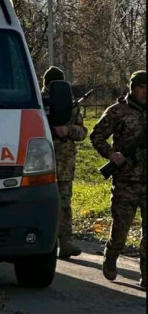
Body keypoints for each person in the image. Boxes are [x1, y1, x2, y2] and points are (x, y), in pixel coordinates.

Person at [91, 70, 146, 288]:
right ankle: (112, 254)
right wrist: (111, 154)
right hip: (126, 181)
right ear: (132, 88)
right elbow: (97, 135)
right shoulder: (118, 111)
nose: (145, 92)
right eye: (141, 87)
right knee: (121, 230)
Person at [42, 66, 88, 259]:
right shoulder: (38, 102)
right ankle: (45, 242)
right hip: (41, 161)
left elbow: (82, 132)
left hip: (65, 162)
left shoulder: (70, 105)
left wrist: (68, 130)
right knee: (42, 204)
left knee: (64, 204)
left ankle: (66, 242)